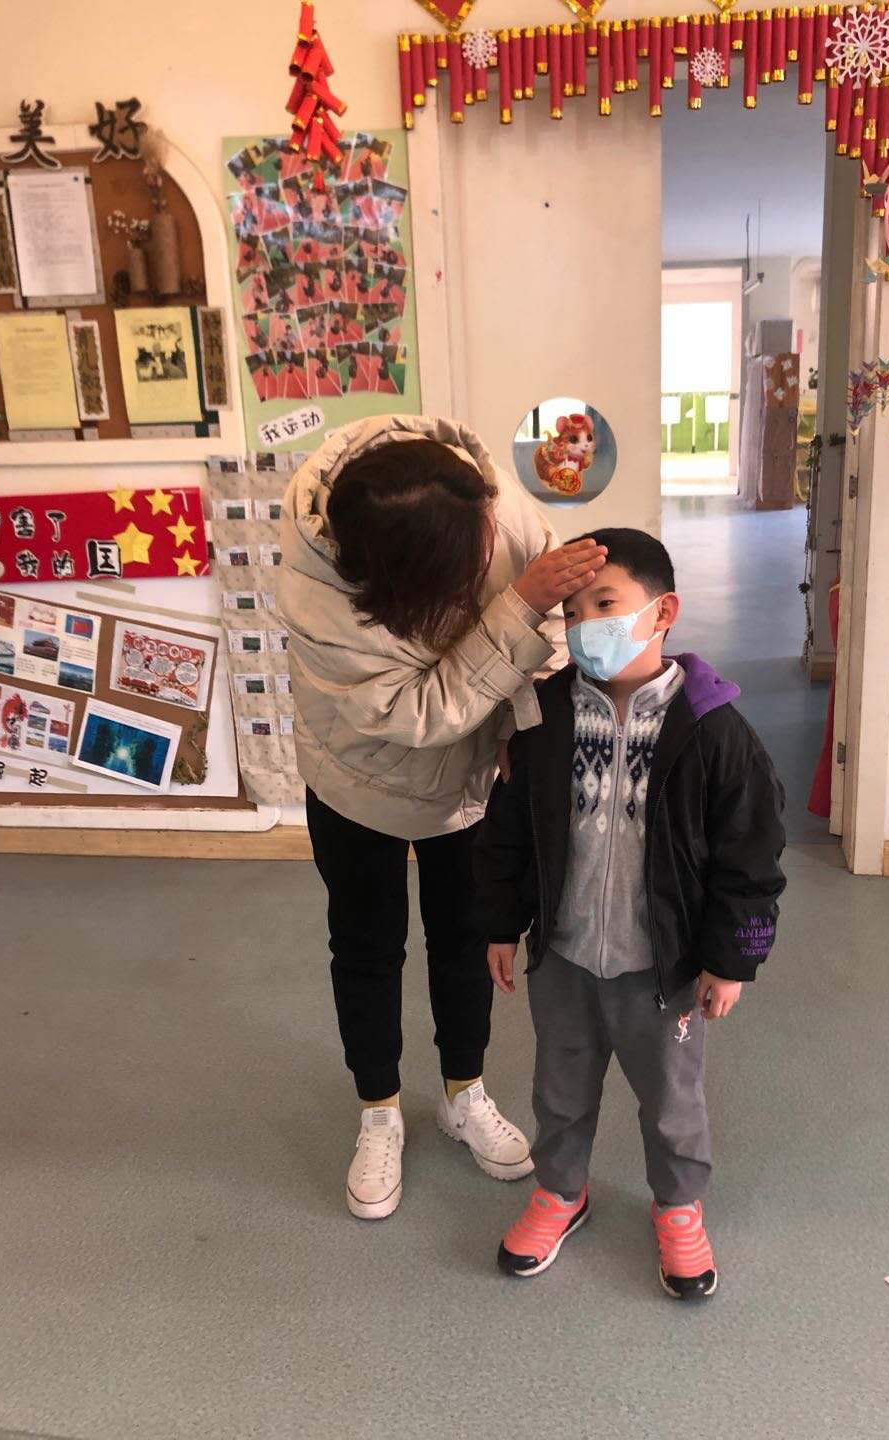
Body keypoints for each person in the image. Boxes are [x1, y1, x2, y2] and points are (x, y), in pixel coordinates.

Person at [277, 415, 607, 1222]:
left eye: (488, 530)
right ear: (404, 574)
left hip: (473, 780)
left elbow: (550, 623)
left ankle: (464, 1093)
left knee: (467, 938)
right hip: (360, 778)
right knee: (366, 943)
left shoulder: (478, 494)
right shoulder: (321, 591)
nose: (491, 549)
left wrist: (527, 731)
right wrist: (519, 606)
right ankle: (379, 1111)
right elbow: (420, 713)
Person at [475, 528, 786, 1300]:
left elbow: (750, 859)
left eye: (605, 604)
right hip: (566, 957)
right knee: (560, 1089)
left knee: (672, 1102)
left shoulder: (714, 730)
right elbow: (510, 827)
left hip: (662, 969)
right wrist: (500, 923)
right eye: (572, 613)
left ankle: (678, 1207)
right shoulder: (544, 716)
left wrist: (731, 960)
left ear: (663, 611)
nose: (586, 626)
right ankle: (561, 1192)